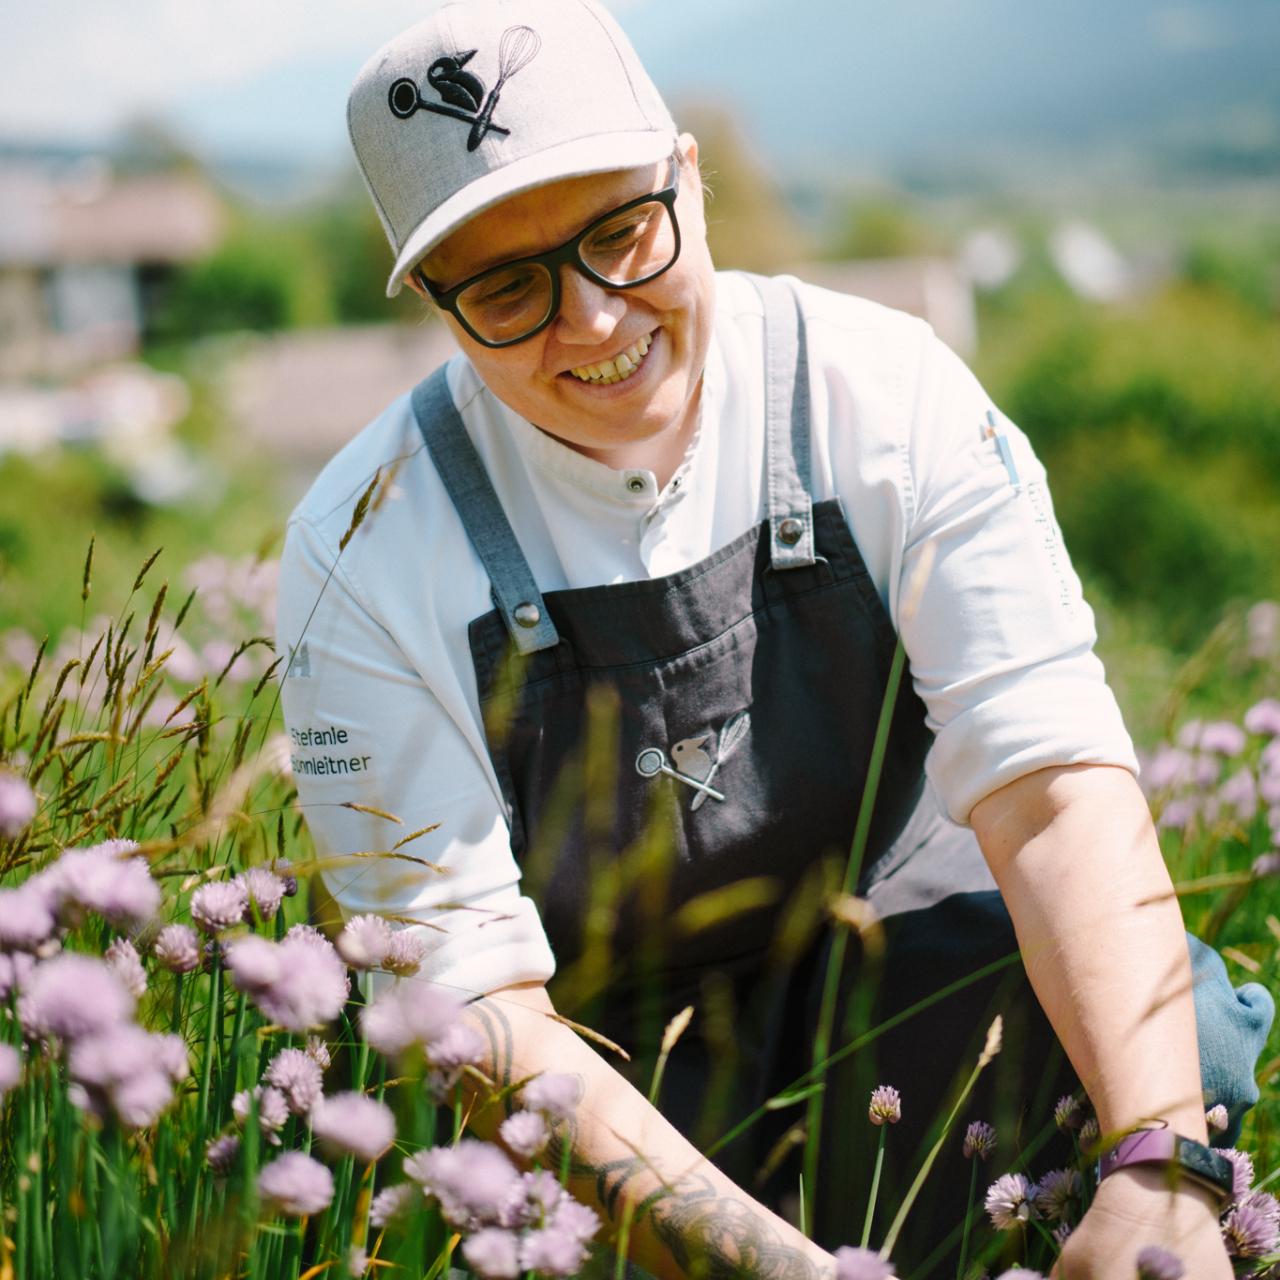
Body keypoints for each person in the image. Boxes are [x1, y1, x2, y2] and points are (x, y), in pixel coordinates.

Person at [277, 1, 1274, 1275]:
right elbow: (478, 1013)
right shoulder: (359, 546)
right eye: (508, 287)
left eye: (620, 233)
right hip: (611, 1088)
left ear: (685, 176)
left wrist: (1160, 1161)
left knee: (1161, 1017)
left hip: (901, 991)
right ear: (433, 300)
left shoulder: (882, 387)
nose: (590, 321)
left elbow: (1051, 781)